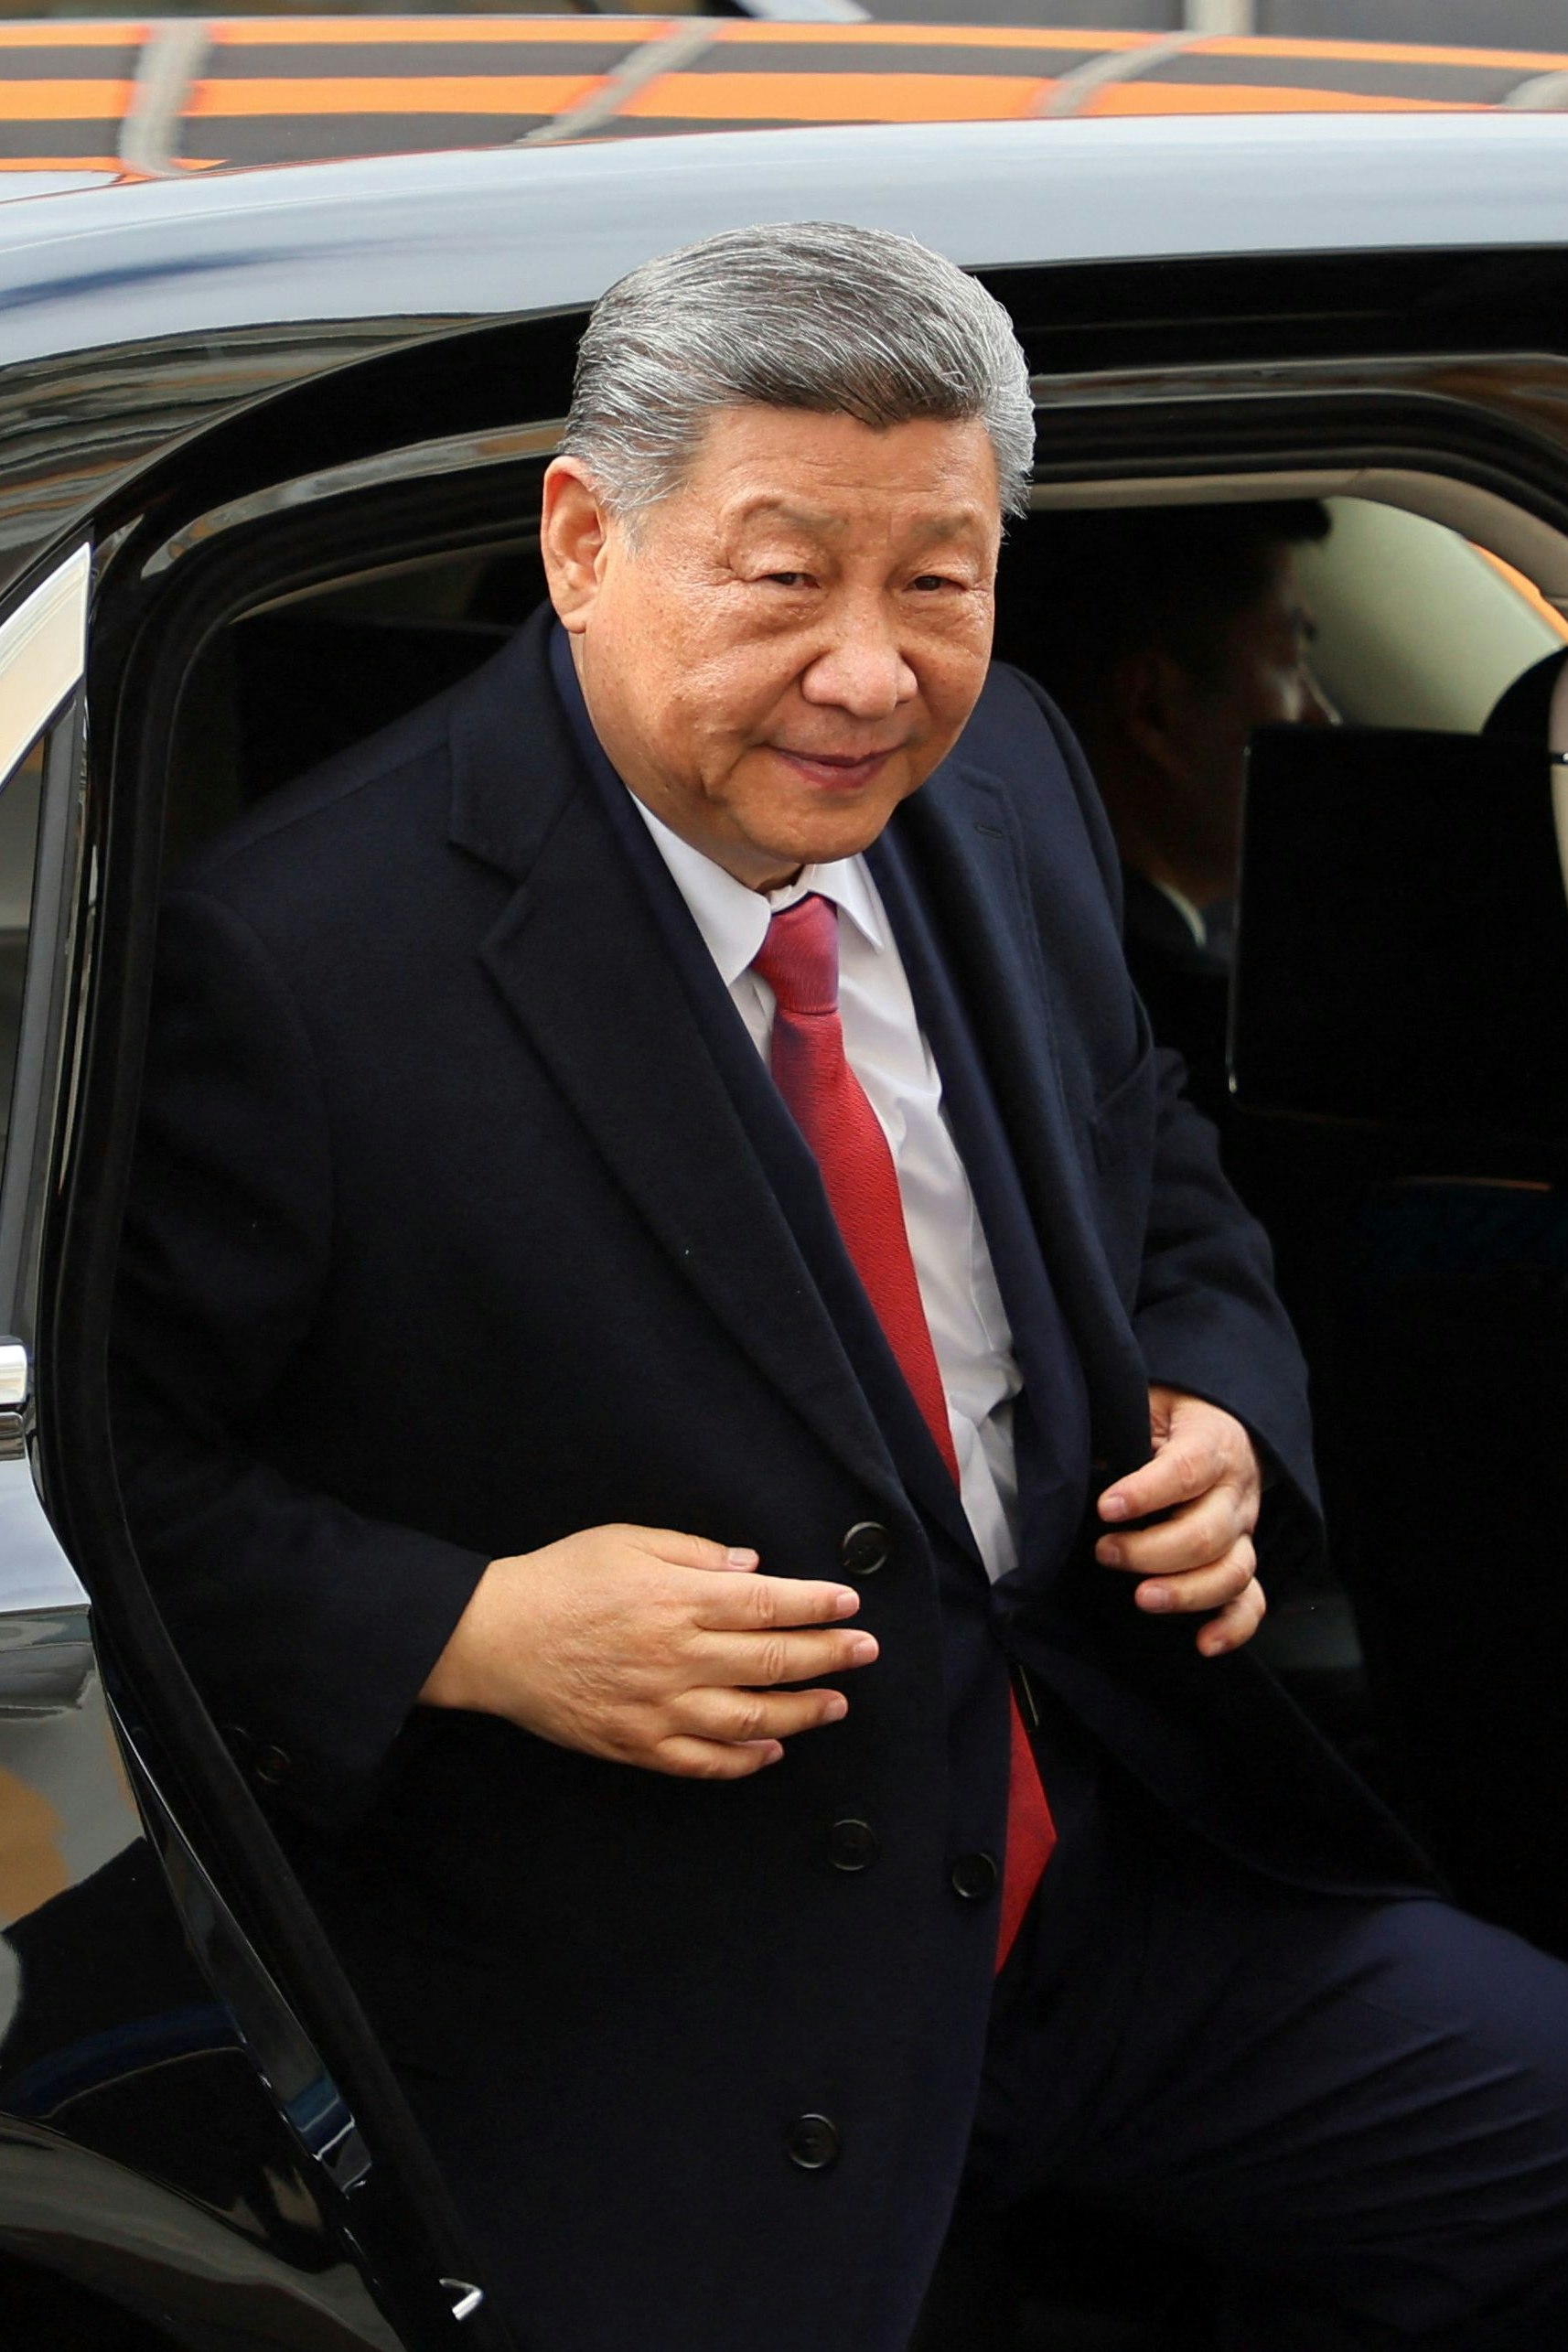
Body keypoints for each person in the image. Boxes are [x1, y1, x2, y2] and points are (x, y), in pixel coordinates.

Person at [110, 225, 1568, 2352]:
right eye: (783, 579)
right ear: (583, 541)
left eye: (939, 580)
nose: (871, 673)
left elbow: (1147, 1148)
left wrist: (1208, 1404)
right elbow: (113, 1468)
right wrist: (468, 1630)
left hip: (1108, 1873)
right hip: (665, 1978)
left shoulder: (1008, 779)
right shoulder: (294, 960)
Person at [997, 502, 1333, 1116]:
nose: (1321, 716)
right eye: (1289, 661)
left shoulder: (1028, 936)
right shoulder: (1186, 1023)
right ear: (1154, 707)